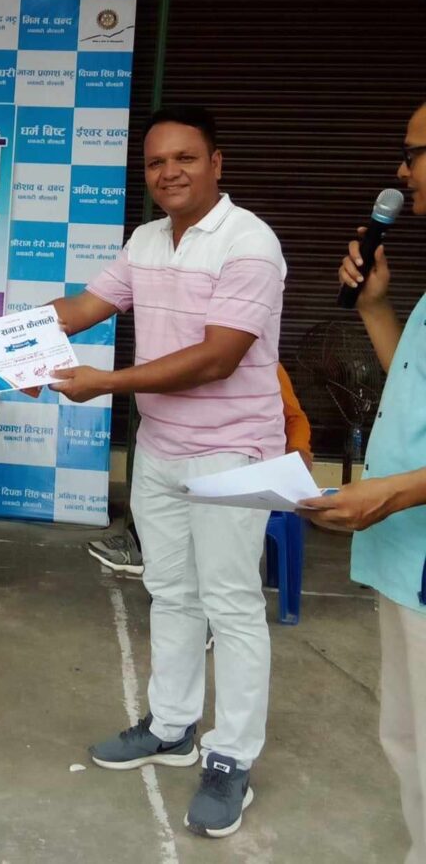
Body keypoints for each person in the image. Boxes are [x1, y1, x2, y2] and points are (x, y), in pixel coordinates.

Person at [49, 106, 286, 837]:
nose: (169, 172)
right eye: (156, 162)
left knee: (231, 605)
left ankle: (232, 757)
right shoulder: (147, 240)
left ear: (217, 162)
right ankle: (172, 727)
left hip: (233, 452)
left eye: (185, 157)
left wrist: (106, 384)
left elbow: (218, 358)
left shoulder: (249, 242)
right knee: (171, 593)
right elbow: (84, 308)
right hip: (160, 448)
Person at [302, 102, 426, 864]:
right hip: (404, 557)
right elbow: (412, 386)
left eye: (415, 153)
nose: (401, 172)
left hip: (415, 541)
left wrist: (395, 492)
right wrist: (376, 308)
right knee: (406, 739)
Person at [88, 361, 313, 576]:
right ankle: (140, 545)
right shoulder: (176, 357)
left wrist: (298, 451)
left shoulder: (260, 363)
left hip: (235, 472)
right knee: (170, 574)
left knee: (221, 578)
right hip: (172, 464)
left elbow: (295, 418)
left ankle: (142, 548)